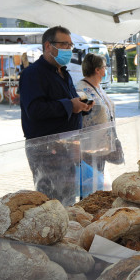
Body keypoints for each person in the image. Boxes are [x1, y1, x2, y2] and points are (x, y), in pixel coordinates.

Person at [19, 25, 93, 204]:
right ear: (48, 46)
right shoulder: (32, 74)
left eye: (70, 45)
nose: (68, 49)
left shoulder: (64, 74)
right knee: (52, 203)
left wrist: (82, 107)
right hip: (47, 151)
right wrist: (69, 105)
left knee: (69, 201)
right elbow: (35, 110)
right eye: (64, 44)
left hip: (69, 148)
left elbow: (70, 105)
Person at [76, 52, 122, 176]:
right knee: (90, 186)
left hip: (103, 147)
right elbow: (83, 112)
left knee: (99, 184)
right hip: (89, 149)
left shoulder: (99, 87)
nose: (105, 70)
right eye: (104, 67)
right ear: (97, 70)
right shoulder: (81, 89)